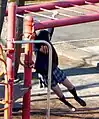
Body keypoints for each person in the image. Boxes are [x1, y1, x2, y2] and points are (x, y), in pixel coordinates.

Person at [34, 27, 86, 111]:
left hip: (54, 69)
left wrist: (53, 18)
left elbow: (50, 30)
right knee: (58, 91)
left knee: (69, 85)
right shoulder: (37, 45)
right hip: (46, 73)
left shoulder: (48, 43)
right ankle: (68, 104)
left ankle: (76, 97)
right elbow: (34, 41)